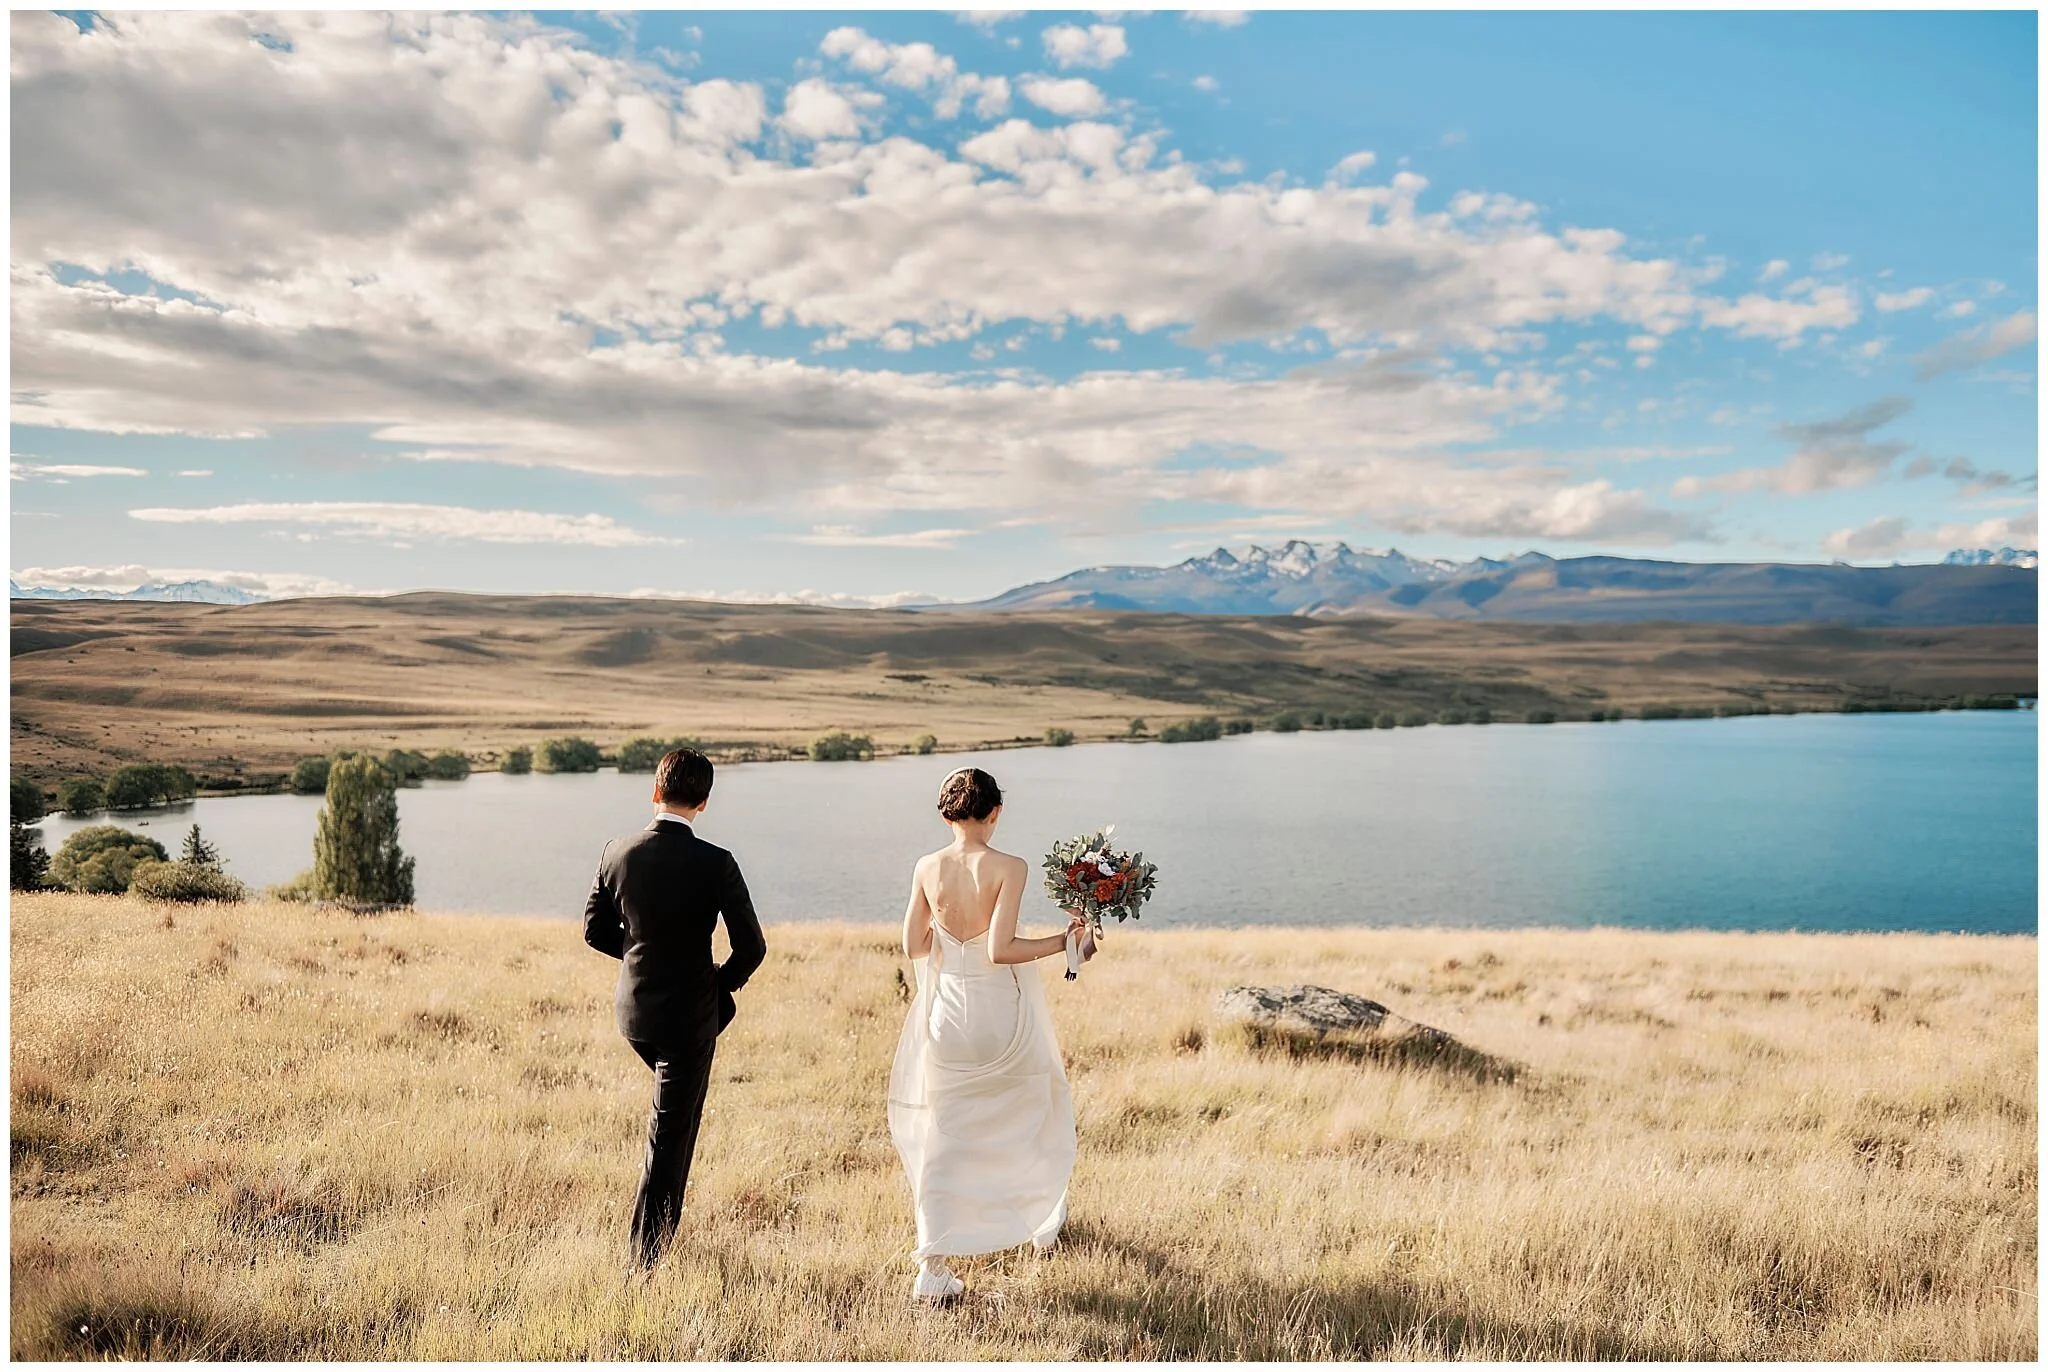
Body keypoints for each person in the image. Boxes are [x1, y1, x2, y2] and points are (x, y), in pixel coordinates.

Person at [888, 766, 1089, 1302]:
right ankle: (1041, 1216)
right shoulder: (1010, 867)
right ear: (995, 812)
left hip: (946, 1018)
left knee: (945, 1132)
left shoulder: (927, 866)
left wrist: (953, 943)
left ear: (945, 813)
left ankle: (932, 1265)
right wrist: (1063, 944)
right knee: (1031, 1109)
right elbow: (1001, 951)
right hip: (999, 1014)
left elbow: (913, 943)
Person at [584, 746, 766, 1271]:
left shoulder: (616, 851)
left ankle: (657, 1241)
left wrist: (645, 957)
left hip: (635, 1016)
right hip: (688, 1021)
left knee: (675, 1125)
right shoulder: (715, 863)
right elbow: (752, 948)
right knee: (669, 1136)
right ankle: (644, 1262)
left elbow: (595, 932)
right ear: (704, 802)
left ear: (655, 790)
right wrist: (717, 990)